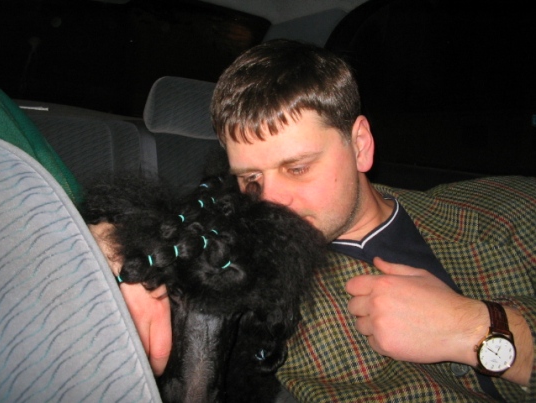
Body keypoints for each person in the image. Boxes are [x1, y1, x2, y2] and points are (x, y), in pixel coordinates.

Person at [103, 39, 536, 401]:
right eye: (251, 179)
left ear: (360, 145)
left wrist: (474, 327)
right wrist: (107, 251)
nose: (271, 201)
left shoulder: (515, 204)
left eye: (297, 168)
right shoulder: (248, 279)